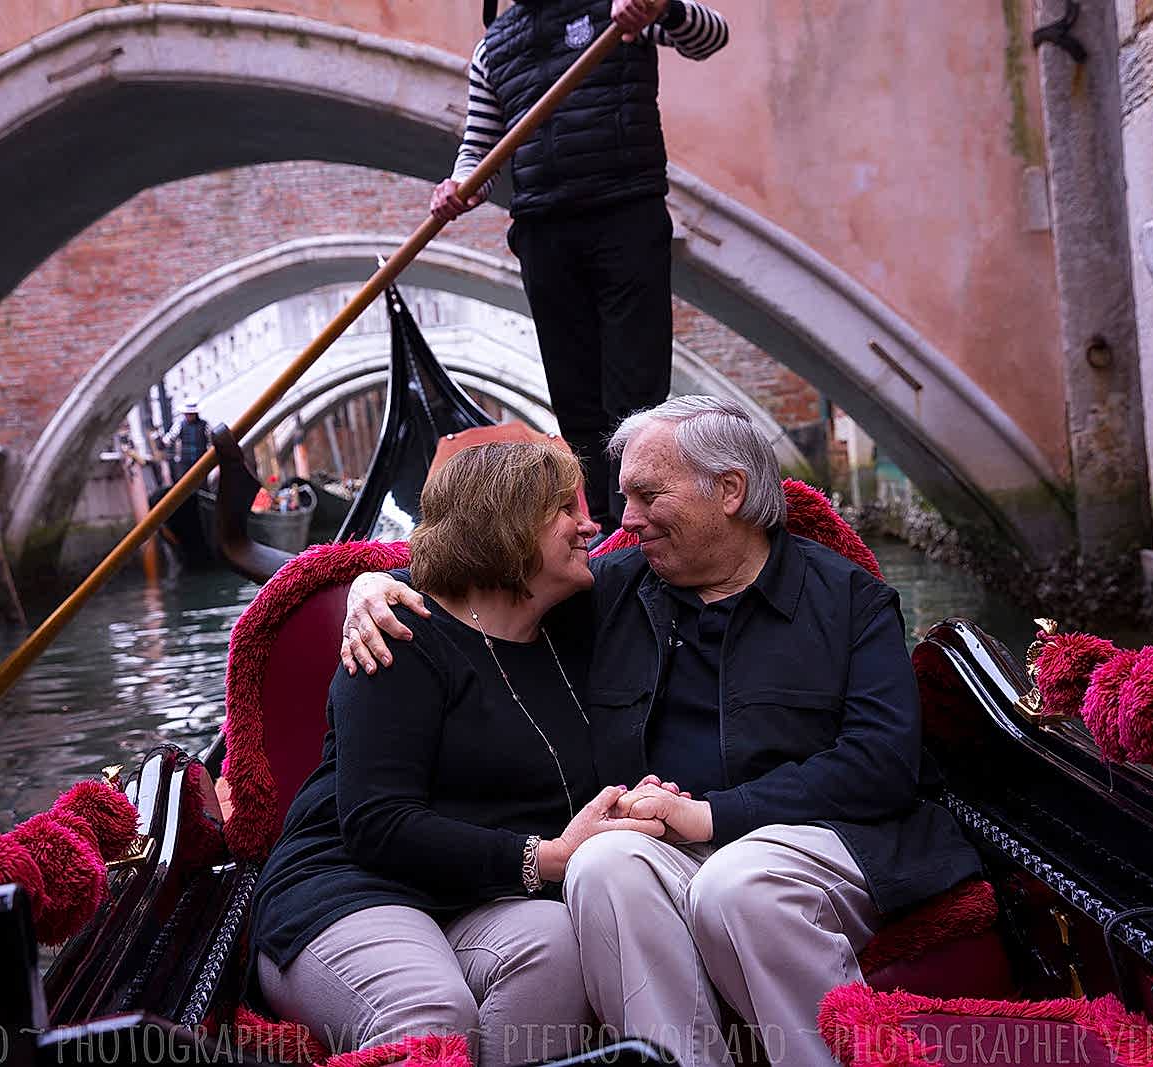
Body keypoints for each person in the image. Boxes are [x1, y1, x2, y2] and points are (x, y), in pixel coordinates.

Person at [341, 397, 984, 1067]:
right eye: (623, 497)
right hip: (676, 851)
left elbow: (883, 763)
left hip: (828, 844)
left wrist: (709, 815)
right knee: (600, 862)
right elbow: (487, 584)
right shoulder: (611, 590)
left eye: (647, 495)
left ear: (729, 490)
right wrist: (377, 585)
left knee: (740, 880)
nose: (625, 521)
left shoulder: (848, 601)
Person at [249, 442, 667, 1067]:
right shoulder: (399, 635)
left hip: (483, 895)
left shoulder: (580, 617)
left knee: (558, 947)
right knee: (430, 1007)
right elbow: (376, 824)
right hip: (352, 886)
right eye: (563, 509)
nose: (591, 525)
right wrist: (549, 857)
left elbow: (706, 556)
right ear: (506, 527)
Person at [431, 0, 729, 534]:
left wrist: (665, 9)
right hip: (544, 233)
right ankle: (603, 535)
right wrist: (459, 186)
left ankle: (639, 525)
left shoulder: (624, 6)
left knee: (635, 392)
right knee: (575, 402)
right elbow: (481, 147)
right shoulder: (491, 49)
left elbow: (710, 39)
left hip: (625, 216)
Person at [161, 399, 210, 481]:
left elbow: (211, 440)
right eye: (187, 414)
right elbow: (169, 438)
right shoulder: (180, 425)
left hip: (201, 460)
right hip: (185, 462)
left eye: (191, 414)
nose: (188, 416)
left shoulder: (204, 425)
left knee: (202, 482)